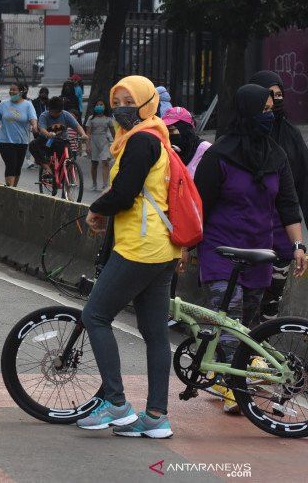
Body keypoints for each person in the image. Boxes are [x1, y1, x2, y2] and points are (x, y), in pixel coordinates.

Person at [75, 75, 179, 439]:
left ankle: (116, 405)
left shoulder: (141, 143)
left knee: (95, 315)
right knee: (154, 333)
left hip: (140, 247)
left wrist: (95, 209)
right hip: (162, 249)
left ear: (147, 103)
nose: (121, 108)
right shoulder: (157, 137)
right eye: (116, 100)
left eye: (128, 101)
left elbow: (124, 192)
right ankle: (156, 417)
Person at [194, 84, 306, 413]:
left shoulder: (276, 155)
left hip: (259, 251)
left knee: (249, 322)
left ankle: (229, 377)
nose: (269, 116)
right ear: (247, 112)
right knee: (228, 317)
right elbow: (199, 205)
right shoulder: (218, 155)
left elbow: (288, 204)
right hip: (219, 248)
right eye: (263, 110)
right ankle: (235, 390)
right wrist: (186, 248)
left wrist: (298, 245)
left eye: (271, 110)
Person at [248, 70, 308, 321]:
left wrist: (299, 243)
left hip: (283, 228)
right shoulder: (242, 137)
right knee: (247, 295)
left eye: (279, 95)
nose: (275, 101)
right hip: (248, 225)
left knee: (272, 298)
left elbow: (302, 185)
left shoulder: (292, 136)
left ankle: (260, 347)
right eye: (269, 96)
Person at [0, 83, 36, 187]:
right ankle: (10, 189)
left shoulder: (28, 105)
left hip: (22, 141)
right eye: (11, 90)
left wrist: (35, 126)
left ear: (21, 91)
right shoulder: (3, 104)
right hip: (5, 141)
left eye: (14, 90)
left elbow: (33, 119)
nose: (12, 92)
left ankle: (13, 189)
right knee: (11, 165)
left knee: (17, 167)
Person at [29, 96, 88, 179]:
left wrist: (83, 134)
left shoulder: (66, 115)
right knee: (32, 145)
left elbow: (77, 126)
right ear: (49, 109)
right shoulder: (44, 115)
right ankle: (47, 168)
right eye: (53, 111)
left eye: (57, 112)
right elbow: (42, 129)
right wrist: (48, 134)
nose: (55, 114)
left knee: (67, 158)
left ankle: (67, 176)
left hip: (62, 140)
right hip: (46, 141)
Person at [161, 107, 209, 177]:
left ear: (186, 129)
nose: (168, 134)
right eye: (165, 130)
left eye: (171, 130)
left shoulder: (205, 150)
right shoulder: (165, 151)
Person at [85, 98, 114, 191]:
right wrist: (88, 145)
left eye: (101, 105)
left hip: (105, 141)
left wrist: (115, 143)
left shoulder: (108, 119)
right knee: (94, 163)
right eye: (97, 105)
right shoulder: (91, 118)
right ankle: (94, 183)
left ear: (105, 107)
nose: (99, 106)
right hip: (94, 141)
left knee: (105, 162)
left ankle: (105, 184)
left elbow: (114, 133)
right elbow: (88, 133)